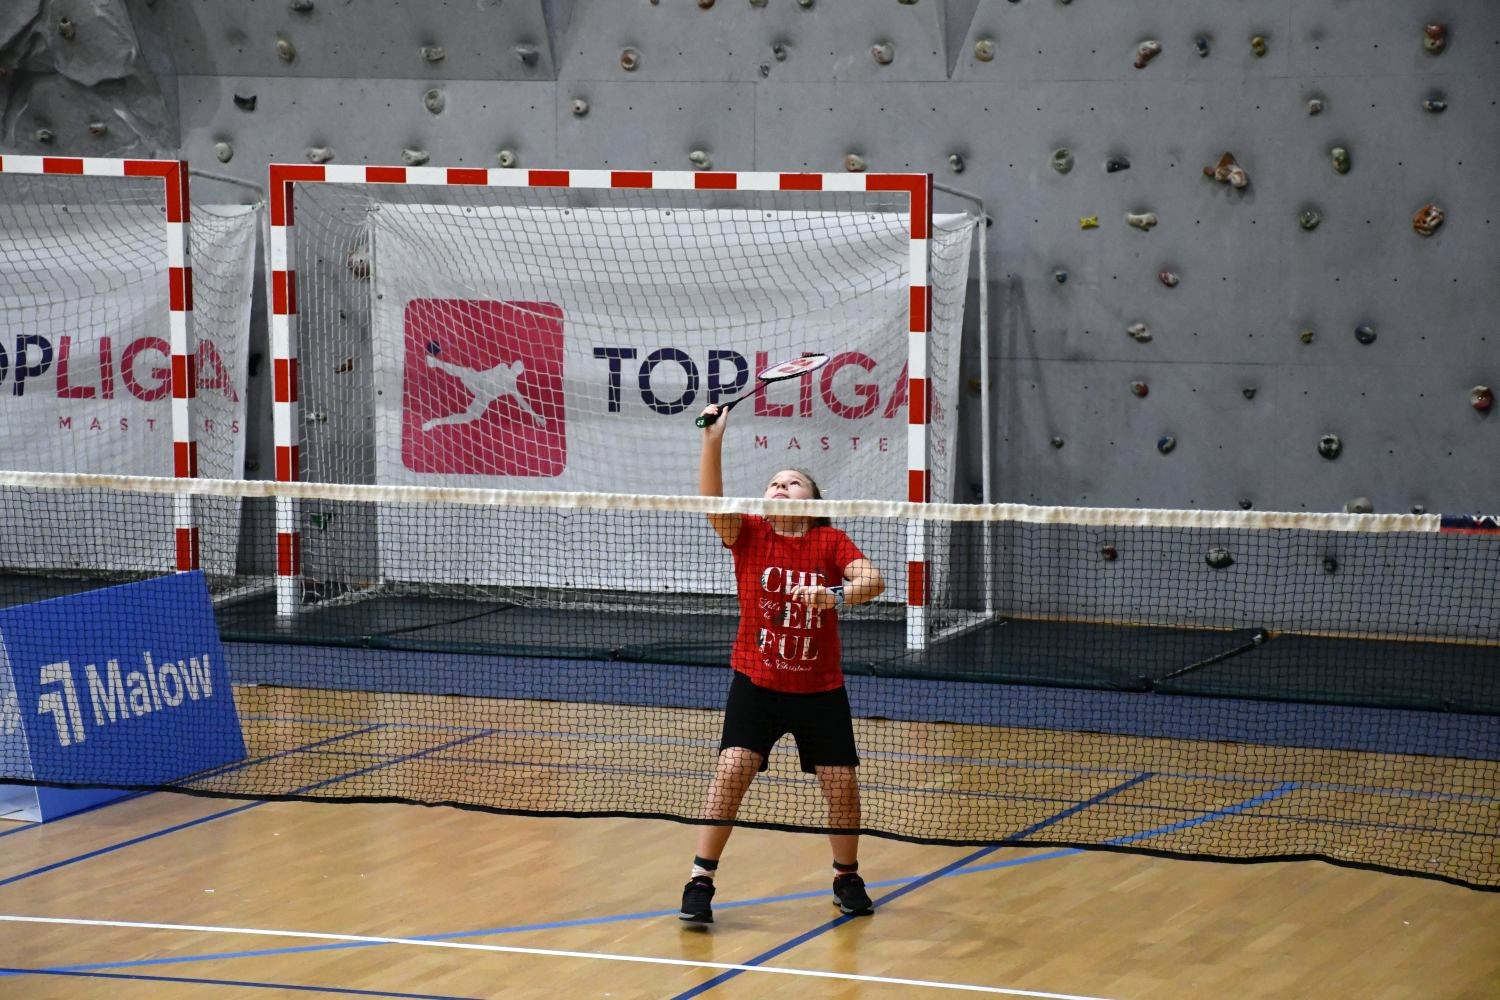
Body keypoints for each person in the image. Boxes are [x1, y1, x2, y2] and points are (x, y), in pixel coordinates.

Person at [679, 400, 885, 924]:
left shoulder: (829, 540)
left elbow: (873, 581)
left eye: (794, 483)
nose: (781, 486)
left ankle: (846, 876)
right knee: (732, 769)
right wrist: (711, 440)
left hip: (820, 690)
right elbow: (711, 503)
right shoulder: (750, 534)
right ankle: (700, 880)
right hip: (757, 684)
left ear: (813, 503)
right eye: (774, 483)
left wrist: (836, 595)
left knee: (841, 783)